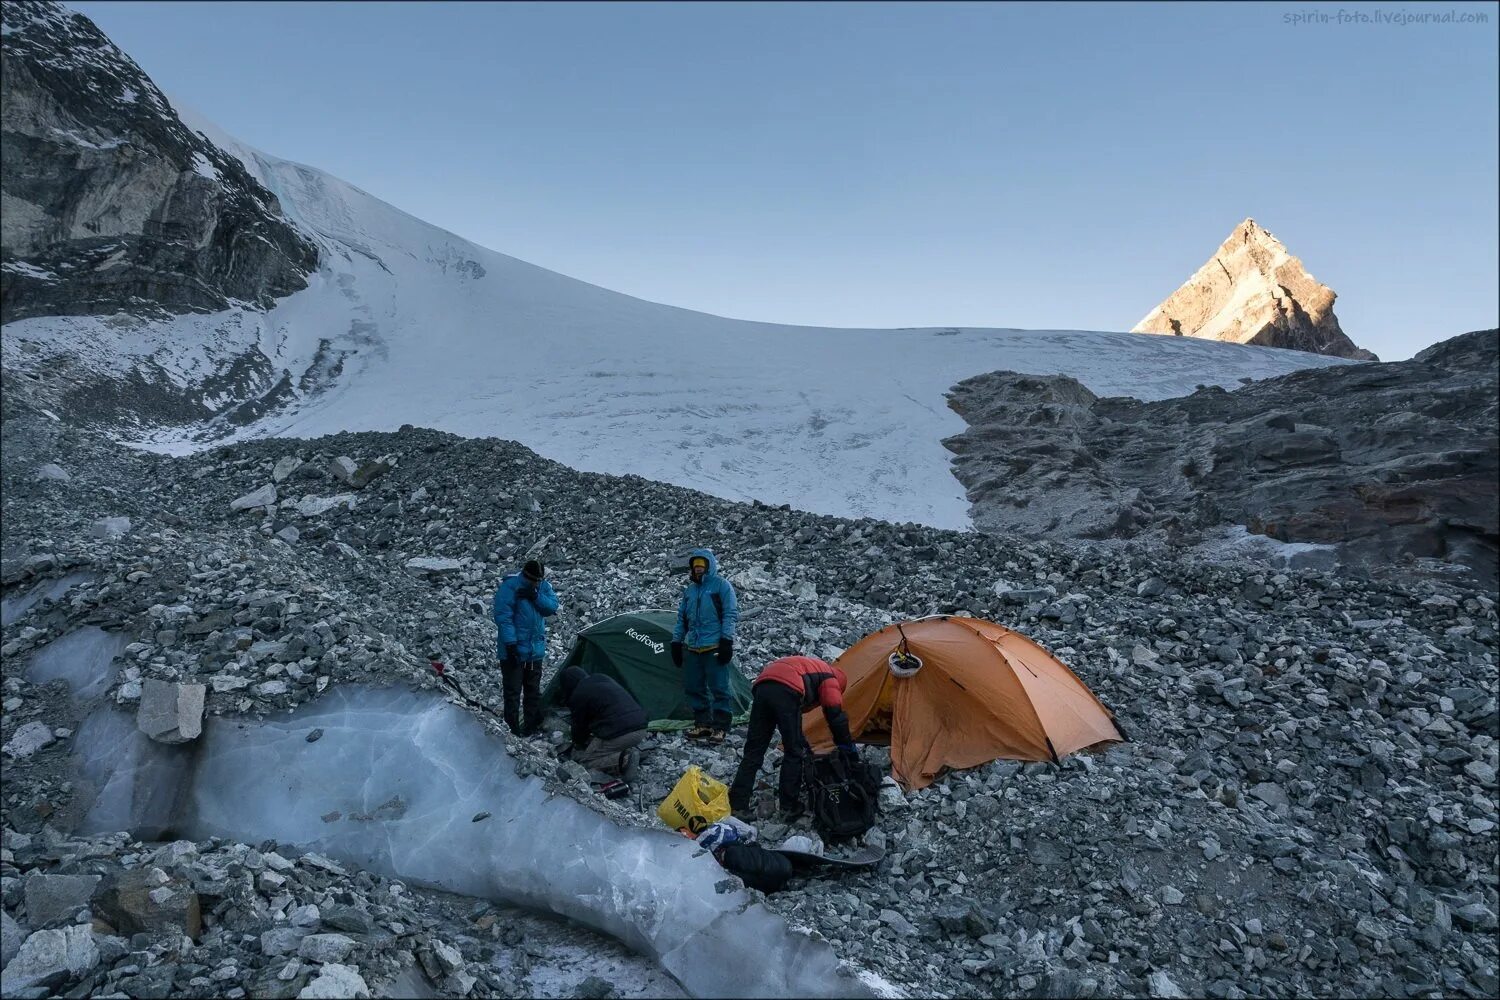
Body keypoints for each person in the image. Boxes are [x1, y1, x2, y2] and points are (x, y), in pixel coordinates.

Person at [727, 654, 858, 818]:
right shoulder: (831, 678)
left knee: (754, 750)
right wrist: (846, 745)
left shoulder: (812, 668)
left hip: (763, 686)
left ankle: (738, 804)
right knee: (794, 751)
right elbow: (834, 713)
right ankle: (789, 806)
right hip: (786, 688)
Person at [669, 548, 738, 743]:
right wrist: (676, 641)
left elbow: (730, 614)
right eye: (695, 566)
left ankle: (721, 726)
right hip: (693, 647)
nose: (698, 569)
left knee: (719, 688)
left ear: (709, 566)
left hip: (714, 646)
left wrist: (726, 641)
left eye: (702, 565)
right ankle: (703, 724)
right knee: (694, 687)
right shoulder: (690, 591)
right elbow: (682, 619)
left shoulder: (721, 586)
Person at [492, 559, 558, 735]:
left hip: (535, 651)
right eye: (534, 580)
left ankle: (530, 727)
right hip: (513, 651)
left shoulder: (542, 587)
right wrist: (511, 644)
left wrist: (535, 596)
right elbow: (503, 617)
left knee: (532, 691)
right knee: (513, 692)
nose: (537, 583)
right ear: (526, 576)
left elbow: (551, 607)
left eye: (539, 580)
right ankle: (512, 730)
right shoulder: (510, 587)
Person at [557, 666, 647, 782]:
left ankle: (626, 759)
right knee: (602, 744)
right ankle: (631, 752)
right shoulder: (602, 677)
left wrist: (578, 744)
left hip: (622, 733)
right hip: (641, 728)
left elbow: (579, 726)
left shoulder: (579, 693)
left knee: (586, 762)